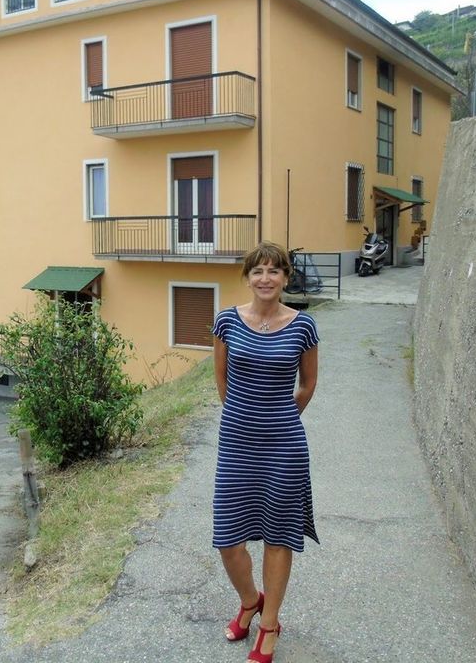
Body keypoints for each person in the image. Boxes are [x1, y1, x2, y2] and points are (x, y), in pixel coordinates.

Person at [211, 241, 320, 663]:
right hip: (237, 443)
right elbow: (222, 381)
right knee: (228, 539)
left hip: (284, 447)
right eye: (258, 270)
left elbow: (307, 385)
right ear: (247, 277)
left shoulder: (303, 326)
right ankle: (249, 600)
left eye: (275, 270)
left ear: (286, 277)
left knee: (278, 536)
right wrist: (246, 419)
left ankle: (269, 623)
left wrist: (279, 419)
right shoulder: (226, 321)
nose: (265, 278)